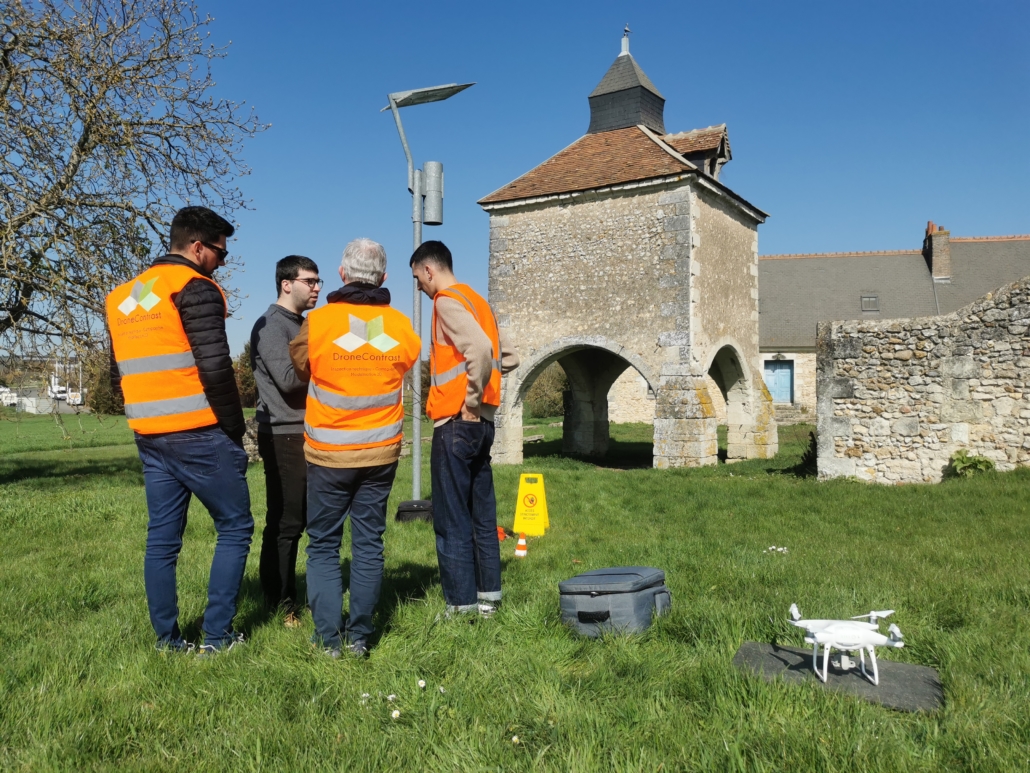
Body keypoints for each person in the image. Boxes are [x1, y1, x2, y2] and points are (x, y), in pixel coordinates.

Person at [106, 206, 253, 655]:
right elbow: (214, 368)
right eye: (219, 254)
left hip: (149, 435)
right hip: (198, 431)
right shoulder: (195, 288)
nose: (221, 263)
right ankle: (217, 637)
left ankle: (167, 642)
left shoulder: (121, 298)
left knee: (162, 539)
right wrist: (234, 432)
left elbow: (118, 376)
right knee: (235, 526)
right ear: (196, 247)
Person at [290, 238, 419, 656]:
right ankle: (361, 637)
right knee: (368, 543)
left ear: (342, 275)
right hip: (380, 453)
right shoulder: (401, 326)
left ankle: (328, 639)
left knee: (324, 544)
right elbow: (405, 363)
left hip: (328, 453)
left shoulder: (320, 321)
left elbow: (300, 364)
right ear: (383, 278)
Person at [409, 240, 519, 618]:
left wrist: (471, 401)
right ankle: (489, 600)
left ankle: (460, 606)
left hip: (457, 421)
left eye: (417, 280)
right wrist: (485, 399)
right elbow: (507, 355)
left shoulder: (446, 301)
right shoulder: (477, 300)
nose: (420, 289)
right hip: (483, 424)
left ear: (428, 270)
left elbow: (478, 348)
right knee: (482, 518)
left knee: (452, 518)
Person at [250, 255, 321, 625]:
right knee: (286, 520)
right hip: (283, 433)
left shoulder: (302, 324)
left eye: (318, 281)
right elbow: (290, 381)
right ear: (286, 283)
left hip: (308, 431)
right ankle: (280, 601)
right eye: (310, 281)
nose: (317, 288)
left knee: (303, 518)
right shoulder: (272, 326)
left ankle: (298, 594)